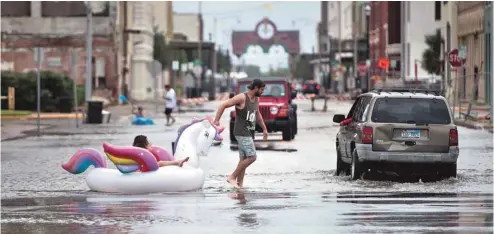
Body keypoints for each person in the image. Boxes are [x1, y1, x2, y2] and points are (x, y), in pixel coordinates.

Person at [213, 79, 268, 189]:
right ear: (256, 88)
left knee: (244, 159)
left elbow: (257, 114)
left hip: (249, 131)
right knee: (252, 157)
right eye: (261, 89)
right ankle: (232, 177)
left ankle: (239, 185)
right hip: (241, 132)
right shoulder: (242, 97)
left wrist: (264, 129)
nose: (262, 92)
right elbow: (223, 104)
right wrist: (216, 120)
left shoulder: (256, 99)